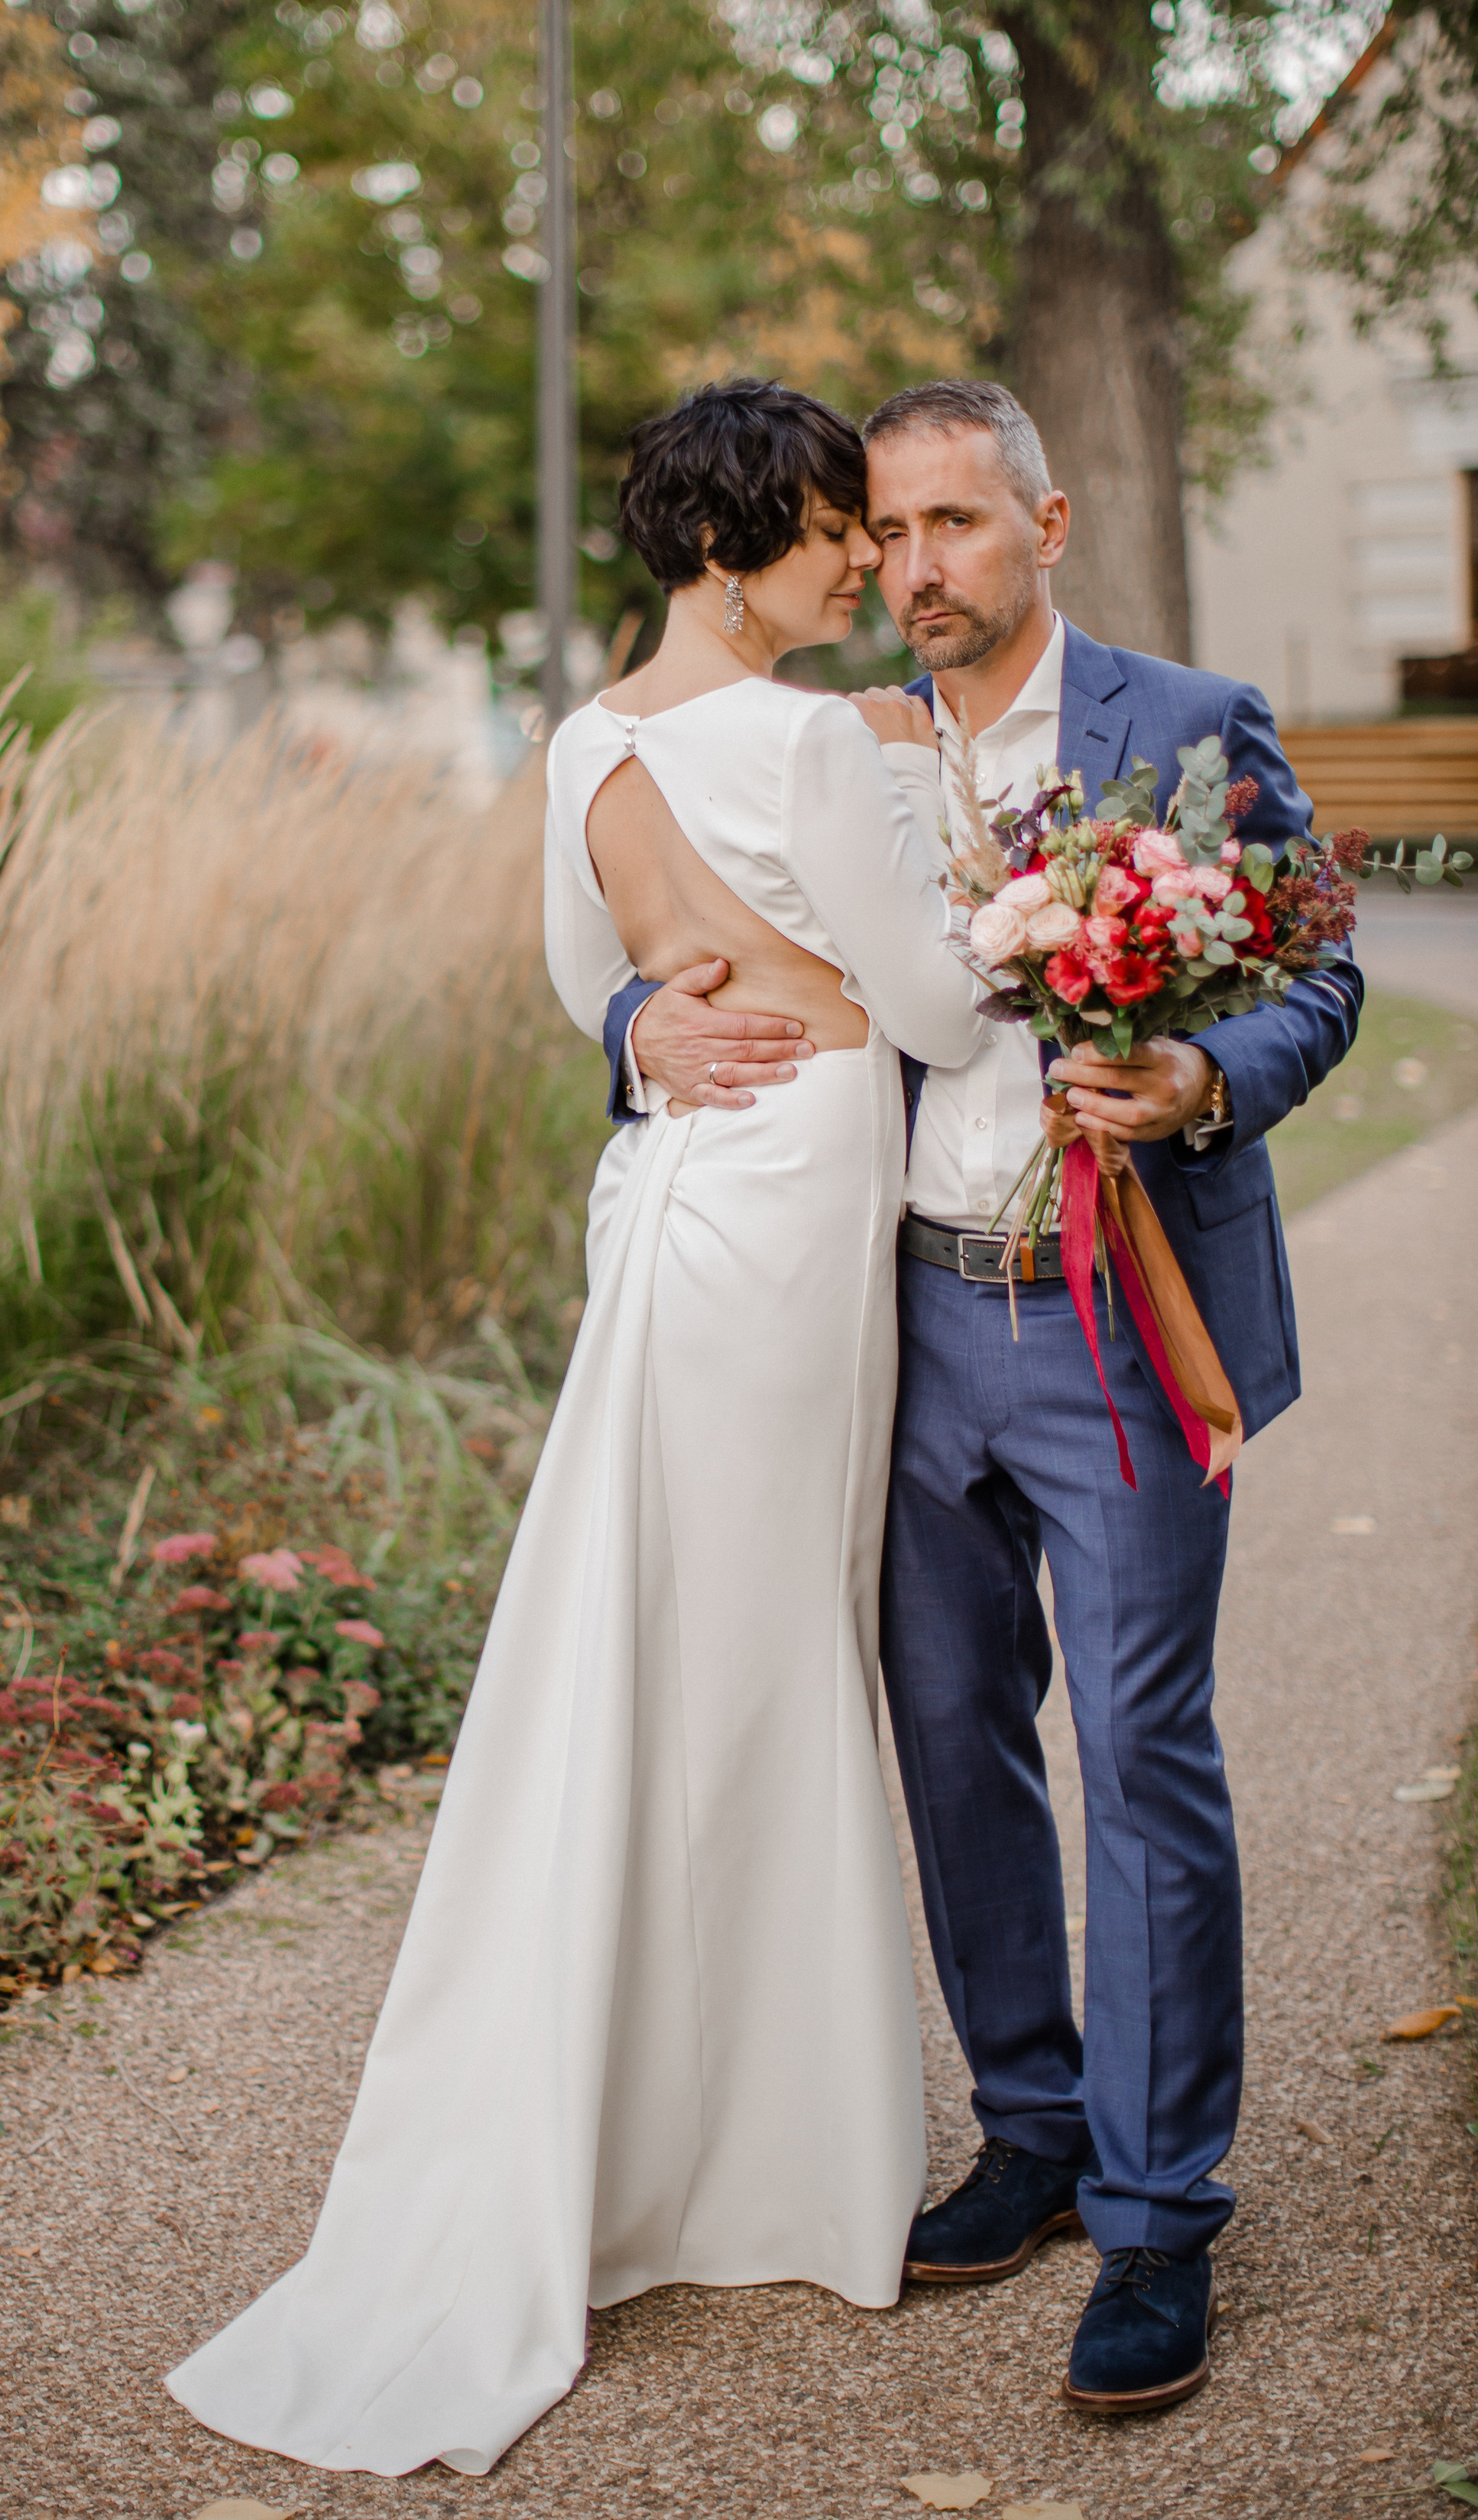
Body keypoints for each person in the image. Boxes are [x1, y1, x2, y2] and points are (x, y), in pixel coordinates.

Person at [165, 381, 985, 2476]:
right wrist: (935, 814)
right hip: (794, 1195)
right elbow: (943, 1007)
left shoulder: (588, 742)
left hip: (677, 1205)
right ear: (736, 552)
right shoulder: (814, 733)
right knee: (768, 1659)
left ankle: (672, 2143)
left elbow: (577, 986)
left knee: (669, 1649)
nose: (861, 567)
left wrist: (647, 1017)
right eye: (829, 534)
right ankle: (763, 2165)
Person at [609, 377, 1362, 2418]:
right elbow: (671, 925)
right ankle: (1029, 2129)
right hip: (905, 1320)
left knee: (1143, 1750)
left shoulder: (1184, 724)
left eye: (955, 524)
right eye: (892, 530)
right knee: (949, 1737)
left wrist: (1208, 1078)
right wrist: (630, 1026)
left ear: (1048, 523)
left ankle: (1154, 2211)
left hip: (1122, 1313)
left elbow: (1319, 972)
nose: (916, 566)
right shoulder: (828, 748)